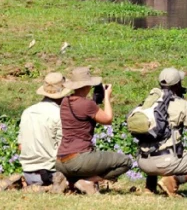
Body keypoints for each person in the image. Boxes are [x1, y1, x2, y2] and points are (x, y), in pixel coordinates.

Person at [135, 68, 187, 197]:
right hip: (165, 162)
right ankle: (174, 180)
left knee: (154, 139)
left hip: (142, 162)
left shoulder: (149, 102)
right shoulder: (182, 105)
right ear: (177, 85)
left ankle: (150, 188)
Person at [55, 67, 132, 195]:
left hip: (61, 161)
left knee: (88, 163)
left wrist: (95, 101)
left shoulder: (64, 102)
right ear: (87, 85)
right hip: (78, 160)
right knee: (125, 161)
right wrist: (107, 97)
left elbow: (82, 114)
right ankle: (89, 182)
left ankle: (71, 183)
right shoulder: (87, 105)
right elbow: (108, 119)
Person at [15, 73, 70, 192]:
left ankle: (24, 182)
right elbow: (63, 147)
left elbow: (20, 146)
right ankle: (49, 187)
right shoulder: (59, 114)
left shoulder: (27, 112)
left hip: (28, 171)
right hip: (50, 173)